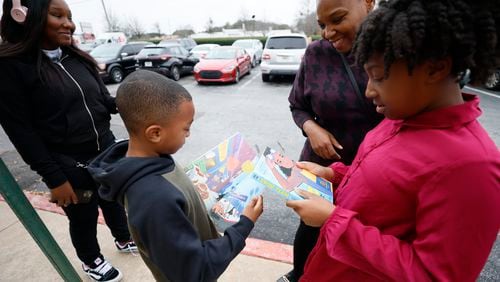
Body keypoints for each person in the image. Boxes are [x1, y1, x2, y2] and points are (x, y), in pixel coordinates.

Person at [286, 0, 500, 280]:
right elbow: (382, 188)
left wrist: (333, 221)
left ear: (435, 69)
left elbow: (434, 275)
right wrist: (333, 175)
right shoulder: (399, 119)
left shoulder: (473, 166)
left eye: (376, 77)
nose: (369, 92)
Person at [0, 0, 136, 281]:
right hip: (70, 166)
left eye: (70, 17)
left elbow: (102, 101)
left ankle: (123, 239)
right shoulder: (11, 67)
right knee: (83, 216)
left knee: (113, 202)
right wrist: (54, 179)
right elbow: (21, 132)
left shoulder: (78, 58)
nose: (69, 24)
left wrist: (130, 102)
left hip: (107, 152)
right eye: (58, 15)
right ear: (23, 16)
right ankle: (91, 260)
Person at [88, 70, 264, 282]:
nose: (189, 134)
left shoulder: (154, 157)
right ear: (155, 133)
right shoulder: (154, 200)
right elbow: (195, 271)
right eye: (186, 128)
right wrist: (245, 224)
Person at [284, 0, 382, 280]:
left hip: (374, 173)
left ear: (368, 3)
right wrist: (311, 128)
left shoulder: (394, 51)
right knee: (310, 234)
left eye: (337, 19)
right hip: (325, 168)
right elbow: (297, 105)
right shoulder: (316, 54)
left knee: (361, 246)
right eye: (322, 25)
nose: (328, 32)